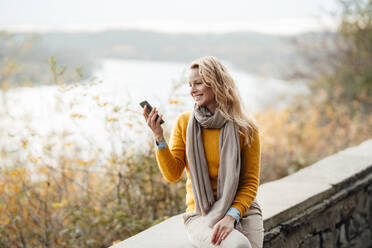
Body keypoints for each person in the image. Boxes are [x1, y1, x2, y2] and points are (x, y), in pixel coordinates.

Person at [142, 56, 263, 248]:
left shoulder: (245, 128)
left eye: (198, 83)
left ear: (216, 83)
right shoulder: (184, 123)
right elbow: (173, 174)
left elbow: (249, 183)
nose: (192, 91)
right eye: (190, 85)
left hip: (241, 210)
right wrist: (159, 137)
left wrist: (231, 216)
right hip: (201, 213)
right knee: (239, 245)